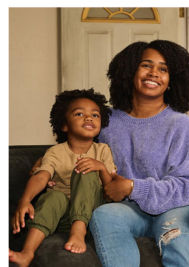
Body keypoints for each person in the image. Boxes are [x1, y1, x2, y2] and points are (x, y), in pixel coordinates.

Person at [88, 40, 189, 267]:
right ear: (130, 71)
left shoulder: (181, 125)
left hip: (175, 207)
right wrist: (49, 162)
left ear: (172, 81)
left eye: (163, 69)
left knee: (175, 233)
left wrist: (133, 187)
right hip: (129, 210)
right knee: (104, 215)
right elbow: (80, 148)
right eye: (146, 65)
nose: (154, 73)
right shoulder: (106, 121)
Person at [9, 89, 116, 267]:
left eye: (95, 115)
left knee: (86, 168)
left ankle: (79, 229)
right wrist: (25, 200)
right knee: (54, 196)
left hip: (93, 211)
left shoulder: (102, 150)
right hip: (63, 216)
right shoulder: (55, 152)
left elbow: (111, 190)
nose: (89, 118)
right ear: (64, 125)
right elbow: (42, 176)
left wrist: (101, 168)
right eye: (79, 114)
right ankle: (27, 253)